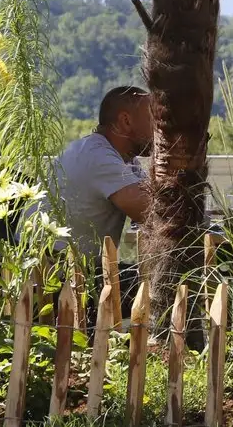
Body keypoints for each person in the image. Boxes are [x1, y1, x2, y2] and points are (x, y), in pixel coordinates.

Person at [47, 85, 153, 316]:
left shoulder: (118, 158)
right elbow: (151, 212)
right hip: (60, 280)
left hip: (79, 272)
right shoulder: (100, 158)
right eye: (153, 118)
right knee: (162, 289)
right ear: (126, 121)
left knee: (151, 282)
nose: (160, 128)